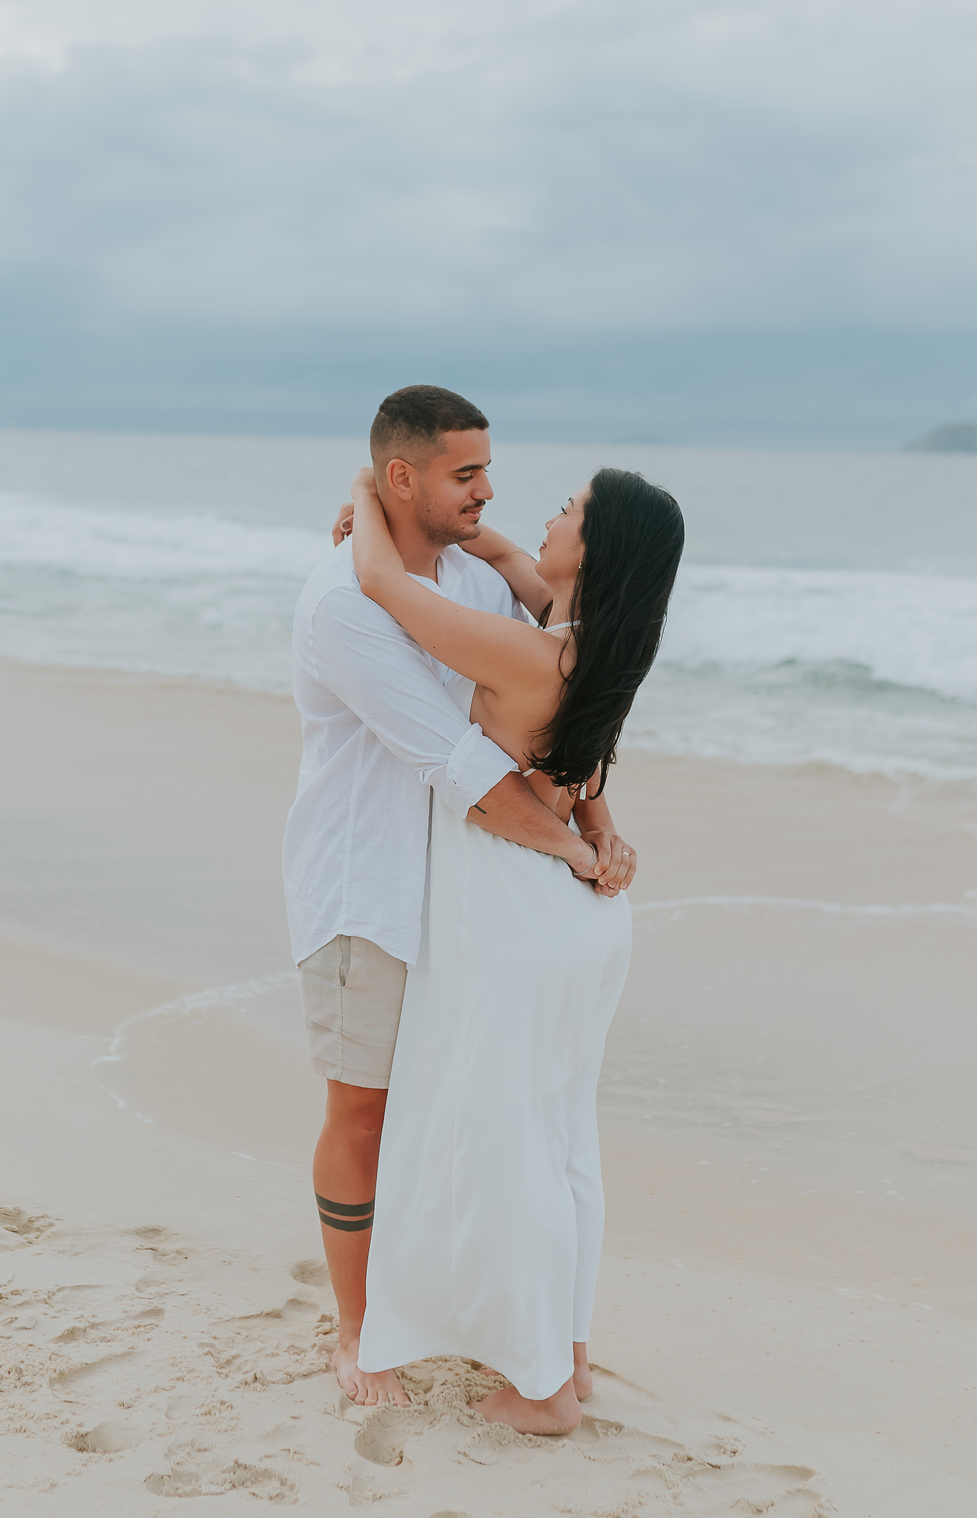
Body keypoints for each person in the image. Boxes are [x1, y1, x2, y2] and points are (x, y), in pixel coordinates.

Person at [281, 386, 637, 1411]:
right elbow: (467, 769)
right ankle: (359, 1333)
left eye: (489, 467)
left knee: (456, 1121)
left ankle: (476, 1321)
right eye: (466, 472)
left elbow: (565, 716)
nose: (491, 489)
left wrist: (599, 821)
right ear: (405, 477)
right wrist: (578, 847)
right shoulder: (346, 602)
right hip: (370, 891)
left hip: (463, 903)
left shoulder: (469, 586)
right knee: (364, 1113)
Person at [351, 458, 684, 1434]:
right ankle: (564, 1358)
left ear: (597, 548)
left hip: (515, 915)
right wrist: (603, 825)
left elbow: (381, 584)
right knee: (562, 1143)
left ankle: (539, 1393)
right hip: (579, 920)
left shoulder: (528, 654)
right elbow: (574, 766)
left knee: (510, 1147)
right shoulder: (602, 650)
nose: (548, 516)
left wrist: (379, 498)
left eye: (570, 510)